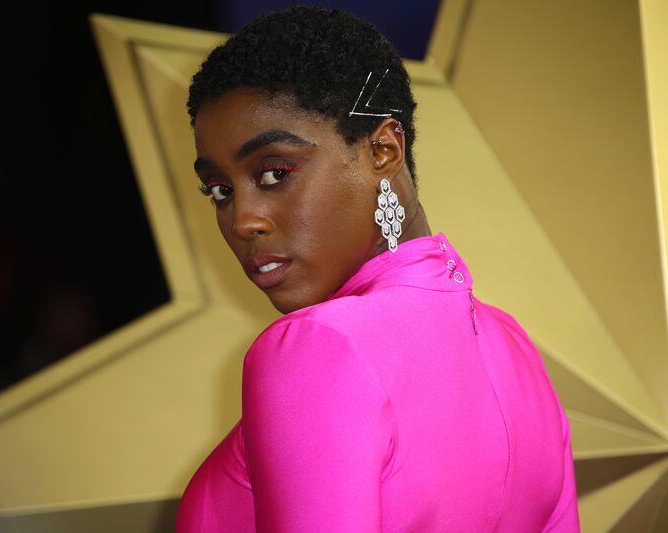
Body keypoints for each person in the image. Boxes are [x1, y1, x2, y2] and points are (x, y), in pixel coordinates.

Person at [176, 5, 579, 532]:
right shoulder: (515, 348)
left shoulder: (315, 346)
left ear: (383, 151)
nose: (243, 219)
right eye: (219, 190)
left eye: (274, 173)